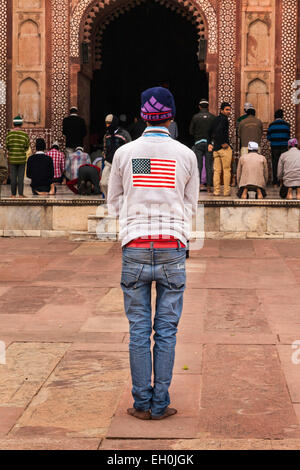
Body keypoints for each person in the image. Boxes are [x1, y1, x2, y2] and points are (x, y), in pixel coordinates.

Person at [108, 86, 199, 420]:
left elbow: (114, 203)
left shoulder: (126, 153)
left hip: (134, 247)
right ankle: (160, 404)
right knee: (167, 331)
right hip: (172, 248)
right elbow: (190, 206)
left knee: (138, 330)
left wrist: (136, 216)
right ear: (171, 116)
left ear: (142, 116)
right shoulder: (185, 155)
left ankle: (141, 402)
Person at [189, 98, 216, 192]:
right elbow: (215, 132)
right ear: (208, 107)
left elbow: (191, 131)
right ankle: (208, 186)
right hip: (209, 144)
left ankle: (198, 185)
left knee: (198, 165)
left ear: (199, 107)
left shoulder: (195, 117)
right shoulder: (213, 117)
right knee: (209, 165)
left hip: (198, 143)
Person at [101, 114, 131, 199]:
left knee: (121, 184)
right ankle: (109, 200)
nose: (107, 125)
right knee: (104, 183)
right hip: (109, 163)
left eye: (109, 123)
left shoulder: (124, 134)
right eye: (106, 123)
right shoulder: (106, 135)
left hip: (121, 163)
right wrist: (105, 157)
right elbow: (105, 148)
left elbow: (129, 147)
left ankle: (120, 203)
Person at [5, 115, 30, 198]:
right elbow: (27, 147)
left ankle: (12, 194)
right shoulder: (24, 135)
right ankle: (20, 194)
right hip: (22, 159)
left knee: (13, 177)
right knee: (20, 177)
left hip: (12, 159)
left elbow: (7, 146)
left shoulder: (9, 134)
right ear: (21, 124)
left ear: (13, 124)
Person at [211, 102, 232, 197]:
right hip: (223, 148)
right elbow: (219, 131)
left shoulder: (215, 119)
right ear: (221, 110)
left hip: (216, 149)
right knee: (227, 170)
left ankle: (216, 191)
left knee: (217, 171)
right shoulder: (224, 120)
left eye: (229, 109)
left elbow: (211, 132)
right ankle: (226, 191)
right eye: (227, 109)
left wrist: (212, 143)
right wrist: (223, 142)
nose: (229, 111)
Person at [267, 109, 290, 187]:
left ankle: (275, 182)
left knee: (275, 164)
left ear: (275, 116)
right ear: (282, 116)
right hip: (284, 147)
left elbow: (269, 137)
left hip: (274, 147)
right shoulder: (287, 125)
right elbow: (288, 137)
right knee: (284, 164)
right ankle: (283, 182)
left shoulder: (271, 125)